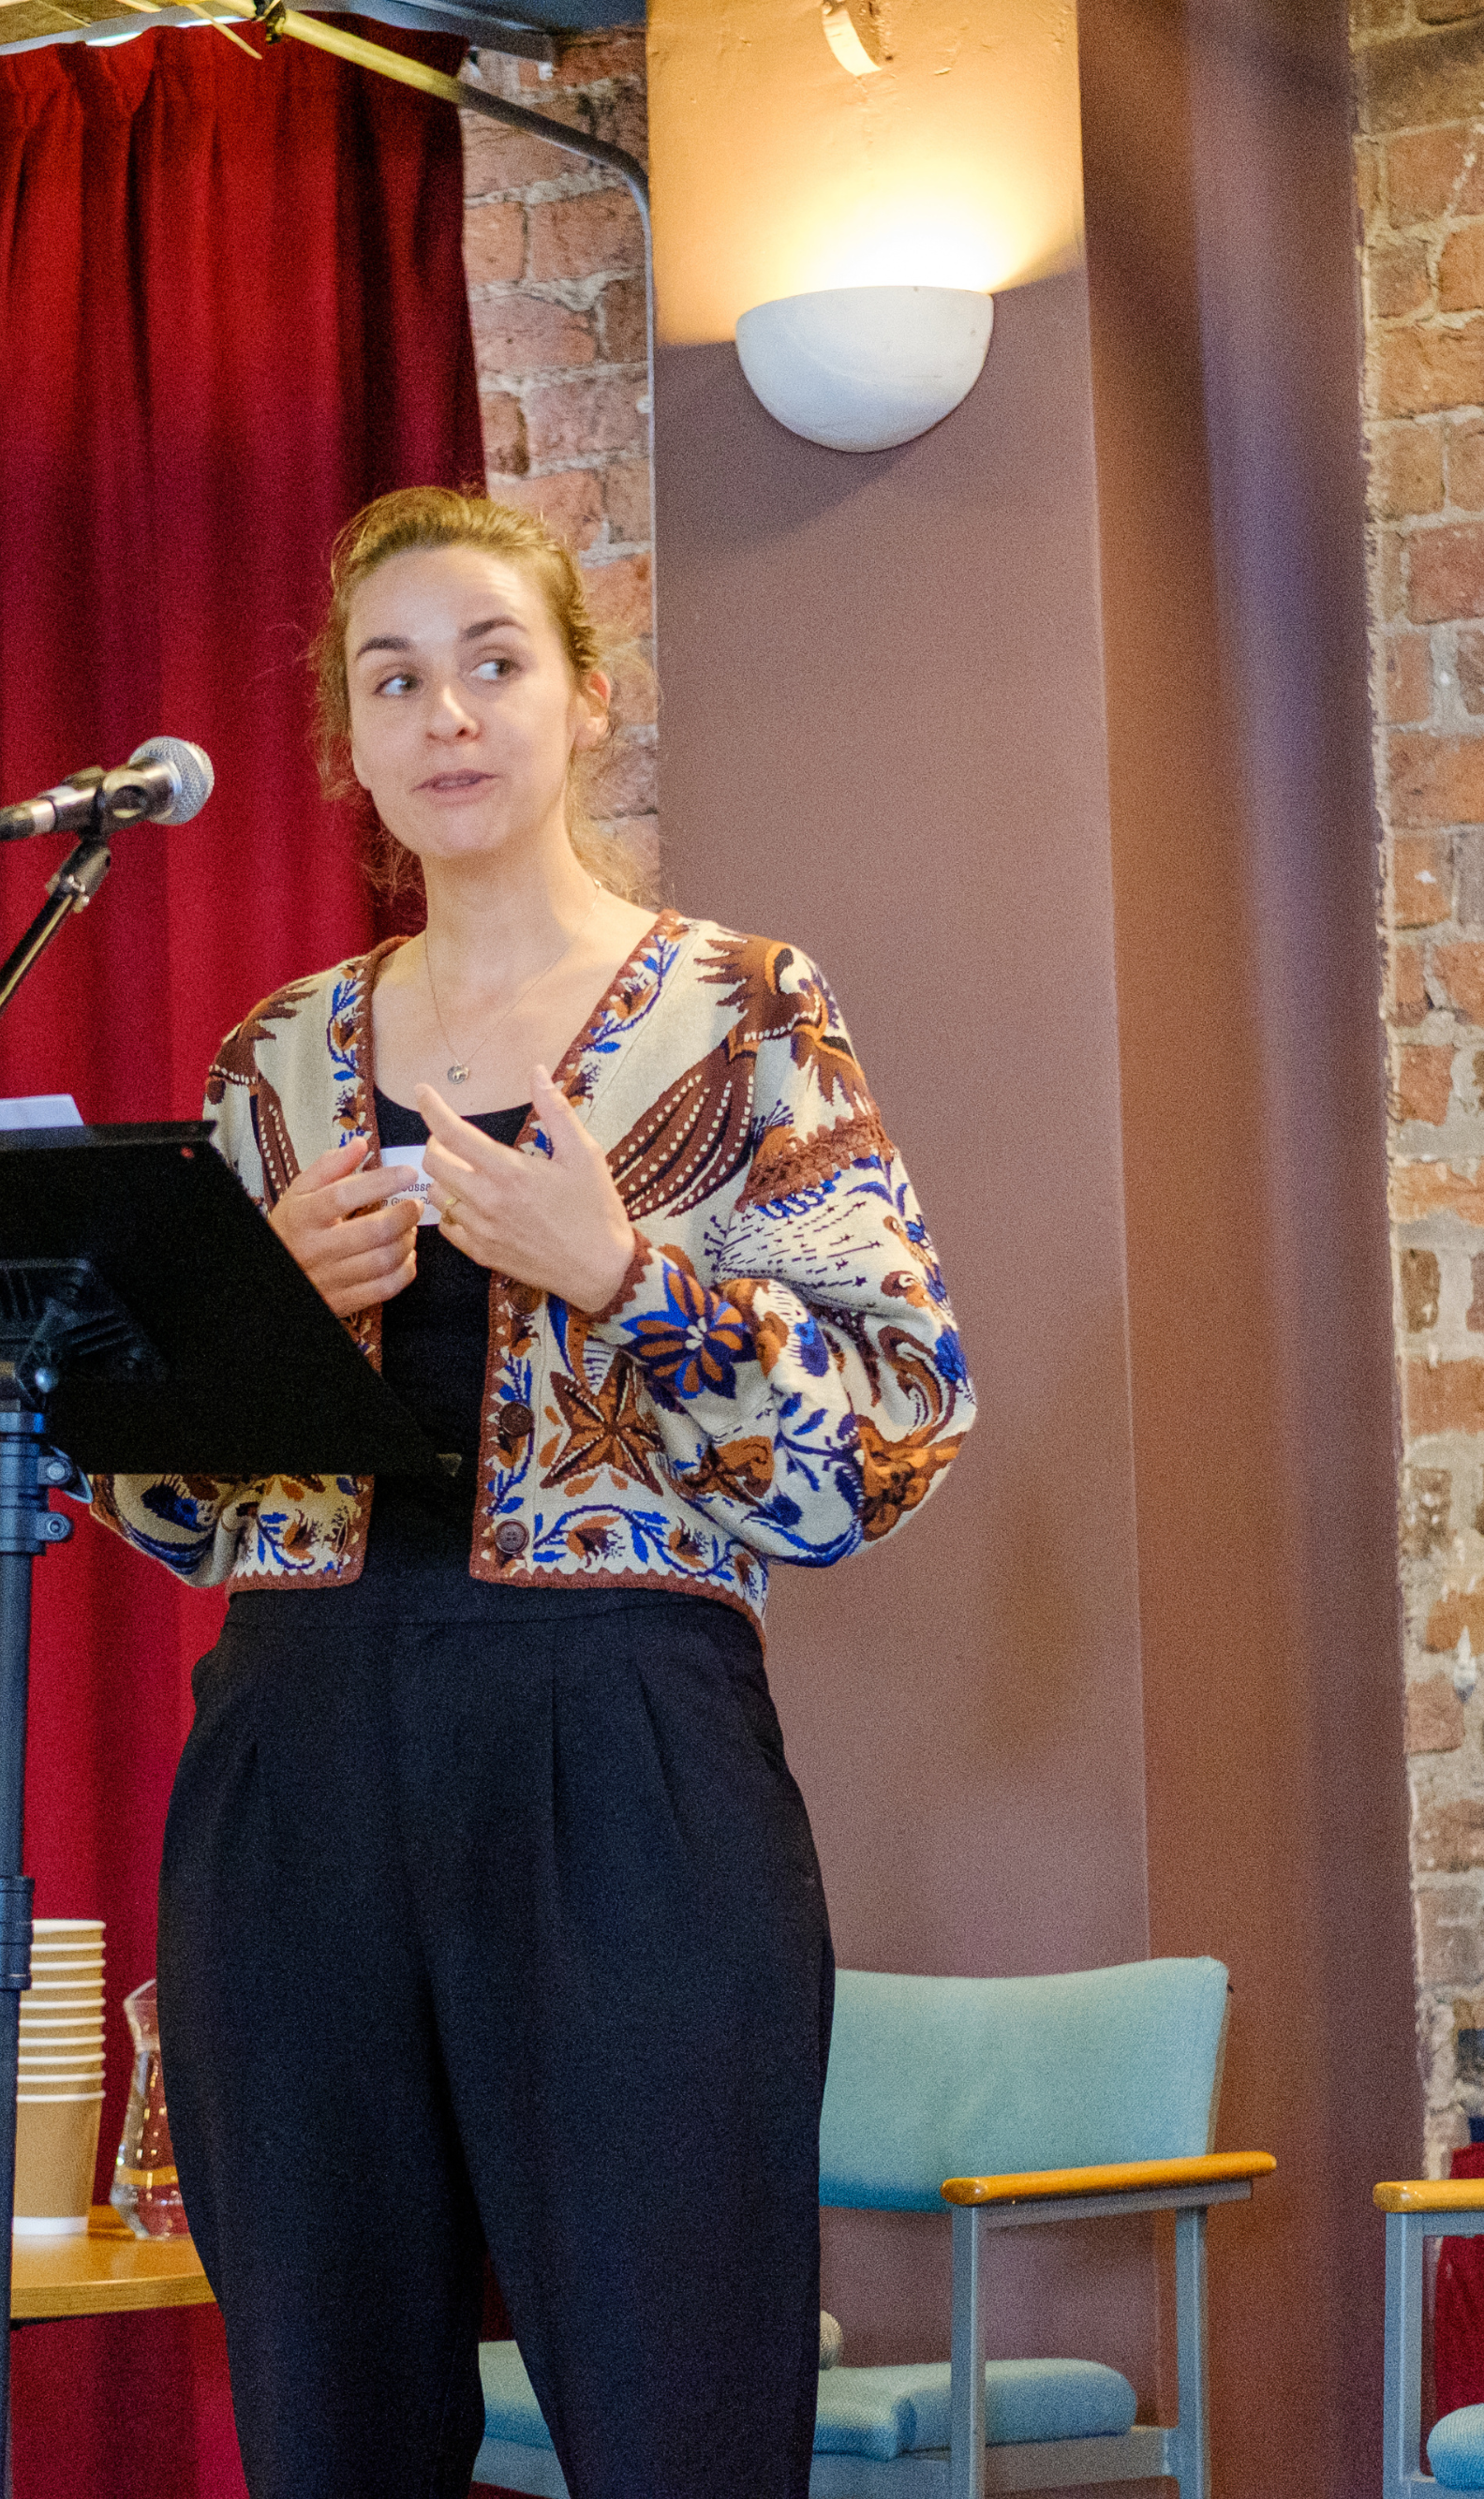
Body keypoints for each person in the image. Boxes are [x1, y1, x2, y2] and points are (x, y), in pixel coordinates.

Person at [95, 485, 972, 2498]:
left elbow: (888, 1434)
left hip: (623, 1764)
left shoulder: (740, 1013)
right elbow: (168, 1509)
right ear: (350, 744)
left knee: (673, 2404)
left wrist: (622, 1277)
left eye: (492, 662)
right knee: (326, 2414)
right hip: (296, 1766)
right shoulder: (272, 1062)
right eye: (392, 680)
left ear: (584, 700)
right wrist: (258, 1333)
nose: (447, 715)